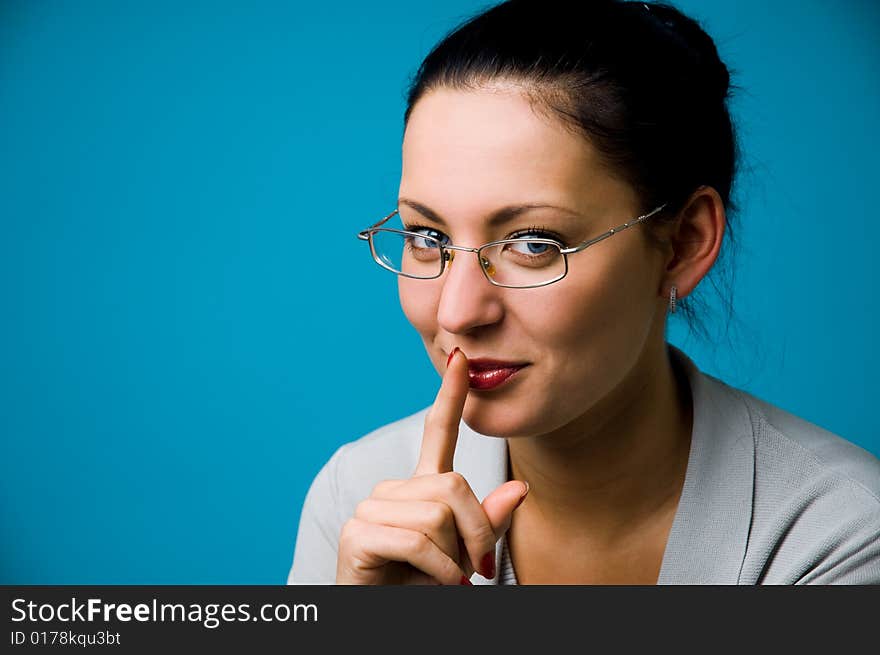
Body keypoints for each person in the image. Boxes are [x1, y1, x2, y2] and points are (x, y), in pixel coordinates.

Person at [287, 0, 880, 584]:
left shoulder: (839, 535)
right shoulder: (360, 500)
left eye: (534, 243)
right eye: (426, 236)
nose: (457, 310)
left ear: (684, 243)